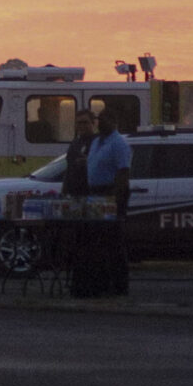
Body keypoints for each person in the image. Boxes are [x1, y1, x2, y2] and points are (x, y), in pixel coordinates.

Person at [82, 102, 133, 298]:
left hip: (110, 194)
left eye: (102, 120)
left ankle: (119, 286)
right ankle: (100, 284)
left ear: (113, 121)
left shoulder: (118, 143)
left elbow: (123, 172)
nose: (99, 123)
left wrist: (116, 200)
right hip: (94, 194)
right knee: (97, 243)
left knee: (114, 243)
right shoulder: (97, 142)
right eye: (98, 120)